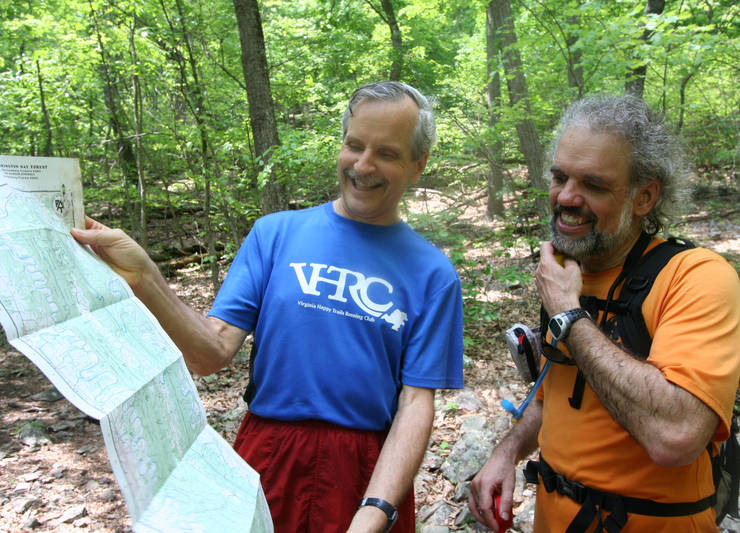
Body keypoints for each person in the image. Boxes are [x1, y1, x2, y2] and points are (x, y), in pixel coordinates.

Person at [72, 81, 464, 533]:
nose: (363, 165)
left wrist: (374, 510)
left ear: (419, 165)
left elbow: (416, 403)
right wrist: (144, 276)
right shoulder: (274, 235)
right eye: (354, 145)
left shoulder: (433, 274)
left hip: (369, 467)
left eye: (387, 153)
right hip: (269, 450)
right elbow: (211, 352)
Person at [468, 94, 740, 532]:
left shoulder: (696, 277)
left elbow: (676, 436)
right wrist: (508, 450)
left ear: (644, 196)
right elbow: (554, 397)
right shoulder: (567, 273)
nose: (567, 197)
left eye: (594, 185)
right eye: (560, 177)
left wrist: (569, 317)